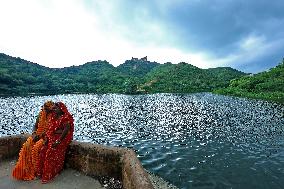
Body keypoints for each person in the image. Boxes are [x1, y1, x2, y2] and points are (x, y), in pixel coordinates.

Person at [12, 101, 55, 180]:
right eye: (44, 108)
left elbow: (52, 130)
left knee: (36, 149)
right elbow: (35, 126)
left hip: (46, 137)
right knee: (27, 145)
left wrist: (42, 135)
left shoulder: (54, 116)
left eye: (47, 109)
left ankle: (36, 171)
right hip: (37, 135)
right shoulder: (41, 114)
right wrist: (34, 134)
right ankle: (25, 169)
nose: (45, 110)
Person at [40, 102, 74, 183]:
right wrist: (47, 139)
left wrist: (58, 141)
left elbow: (66, 131)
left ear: (61, 109)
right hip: (53, 137)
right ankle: (43, 172)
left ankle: (51, 173)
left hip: (62, 139)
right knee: (43, 149)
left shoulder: (66, 117)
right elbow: (50, 130)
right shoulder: (54, 116)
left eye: (55, 108)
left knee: (50, 152)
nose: (54, 110)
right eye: (53, 108)